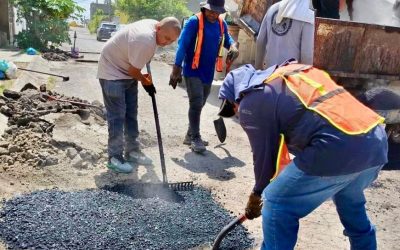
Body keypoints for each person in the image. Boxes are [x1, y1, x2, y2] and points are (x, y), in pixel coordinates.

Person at [218, 60, 388, 249]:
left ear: (236, 95)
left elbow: (264, 158)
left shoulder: (251, 101)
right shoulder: (289, 73)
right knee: (349, 200)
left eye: (232, 109)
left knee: (276, 201)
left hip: (337, 148)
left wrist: (257, 194)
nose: (237, 114)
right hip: (374, 142)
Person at [97, 17, 181, 173]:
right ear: (158, 28)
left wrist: (144, 80)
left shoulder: (154, 31)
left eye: (171, 41)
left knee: (131, 114)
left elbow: (136, 66)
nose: (166, 43)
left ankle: (132, 151)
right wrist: (146, 82)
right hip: (112, 71)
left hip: (126, 68)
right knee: (117, 117)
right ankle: (114, 158)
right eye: (166, 38)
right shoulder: (145, 41)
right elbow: (133, 71)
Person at [169, 0, 239, 153]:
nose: (213, 14)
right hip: (192, 70)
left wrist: (233, 46)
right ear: (204, 8)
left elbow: (227, 39)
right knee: (196, 103)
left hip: (208, 72)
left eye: (217, 11)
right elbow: (183, 45)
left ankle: (189, 135)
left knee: (200, 104)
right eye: (210, 11)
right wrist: (176, 69)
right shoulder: (194, 22)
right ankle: (195, 138)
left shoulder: (221, 24)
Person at [255, 0, 315, 70]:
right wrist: (305, 77)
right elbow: (307, 54)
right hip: (289, 76)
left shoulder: (272, 9)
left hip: (269, 73)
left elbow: (260, 41)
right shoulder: (307, 16)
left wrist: (258, 69)